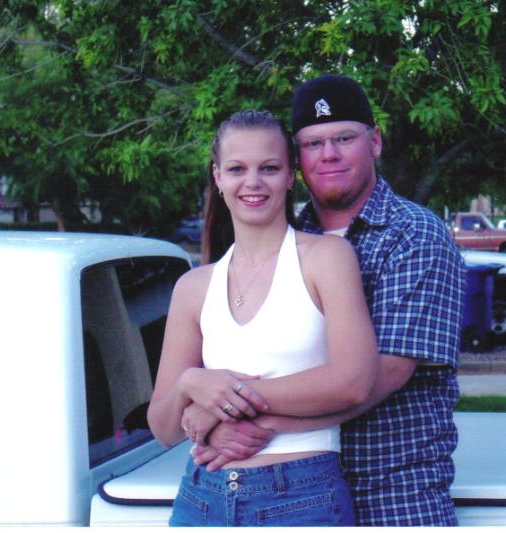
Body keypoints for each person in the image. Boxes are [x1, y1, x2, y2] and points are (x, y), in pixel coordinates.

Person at [189, 75, 466, 526]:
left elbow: (381, 375)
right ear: (296, 161)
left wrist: (235, 417)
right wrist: (203, 398)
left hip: (394, 492)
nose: (329, 154)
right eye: (313, 143)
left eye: (344, 138)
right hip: (290, 492)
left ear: (374, 142)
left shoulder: (416, 235)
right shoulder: (286, 241)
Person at [147, 109, 379, 527]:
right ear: (218, 177)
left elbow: (354, 381)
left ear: (290, 176)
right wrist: (191, 384)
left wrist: (222, 404)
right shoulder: (193, 286)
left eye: (269, 168)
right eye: (237, 169)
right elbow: (164, 428)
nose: (252, 182)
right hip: (201, 497)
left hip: (302, 496)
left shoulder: (326, 257)